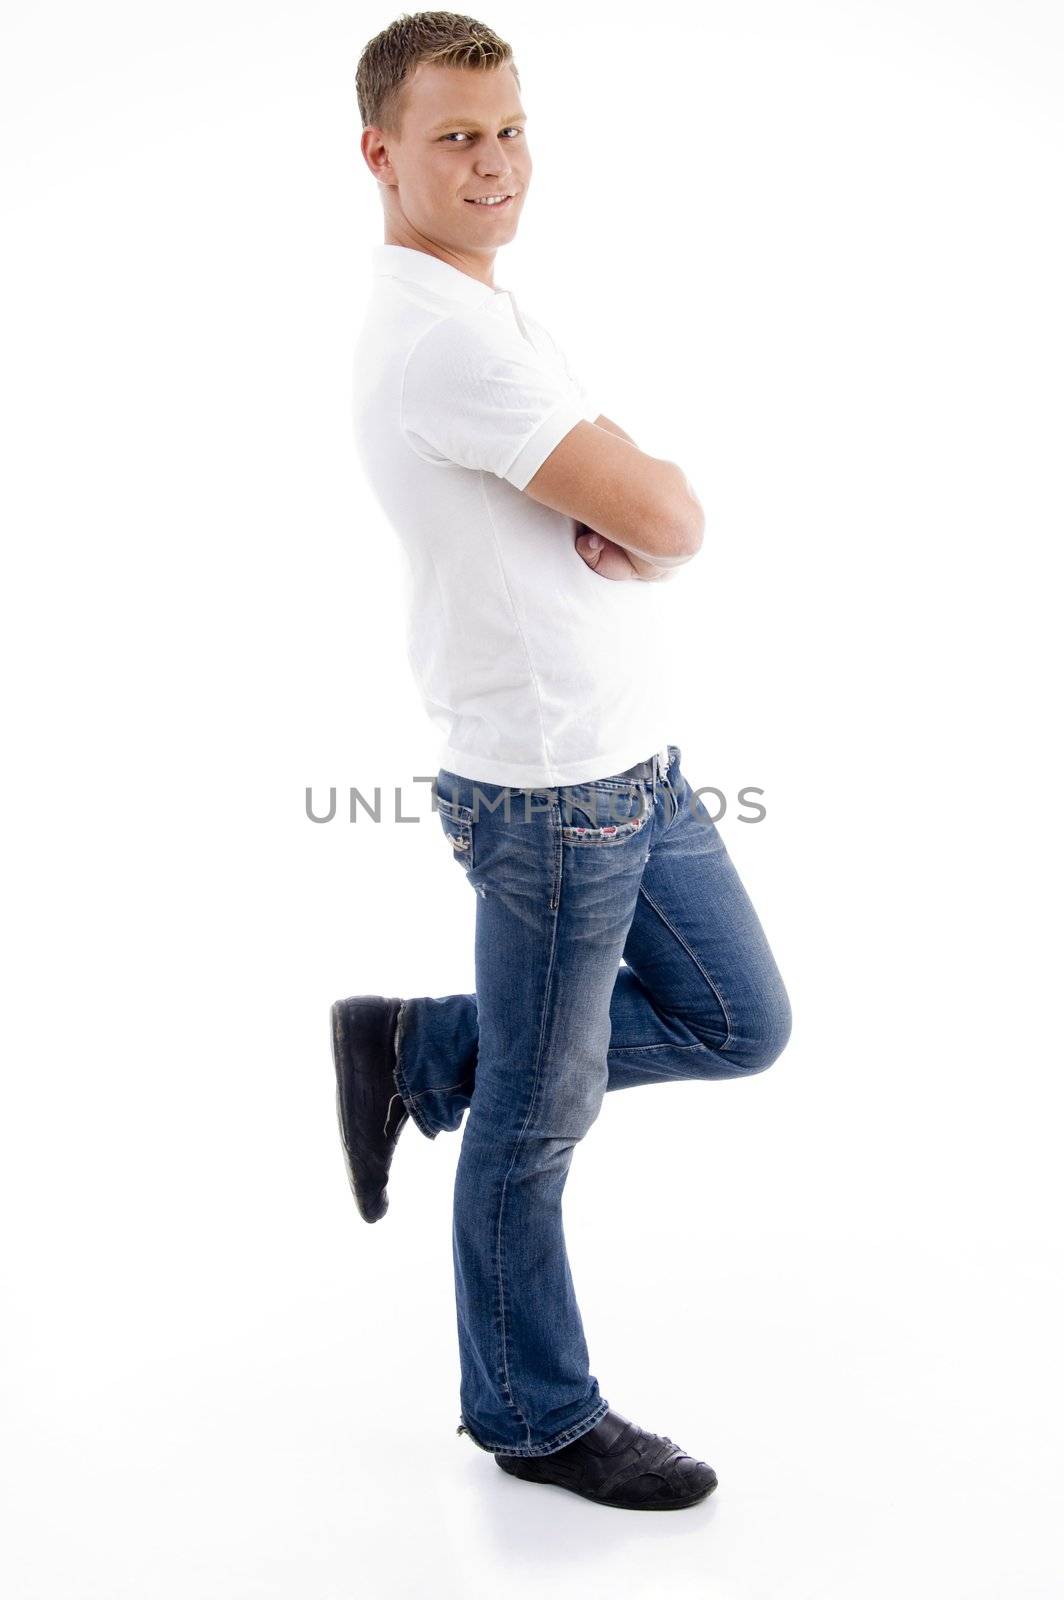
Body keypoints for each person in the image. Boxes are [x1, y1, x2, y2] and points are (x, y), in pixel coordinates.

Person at [332, 11, 792, 1512]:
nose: (493, 162)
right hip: (550, 792)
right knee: (537, 1124)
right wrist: (664, 523)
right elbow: (667, 515)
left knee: (738, 1020)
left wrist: (647, 522)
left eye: (511, 128)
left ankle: (432, 1048)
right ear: (380, 154)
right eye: (456, 136)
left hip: (629, 761)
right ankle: (532, 1414)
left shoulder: (487, 308)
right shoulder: (443, 342)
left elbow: (634, 516)